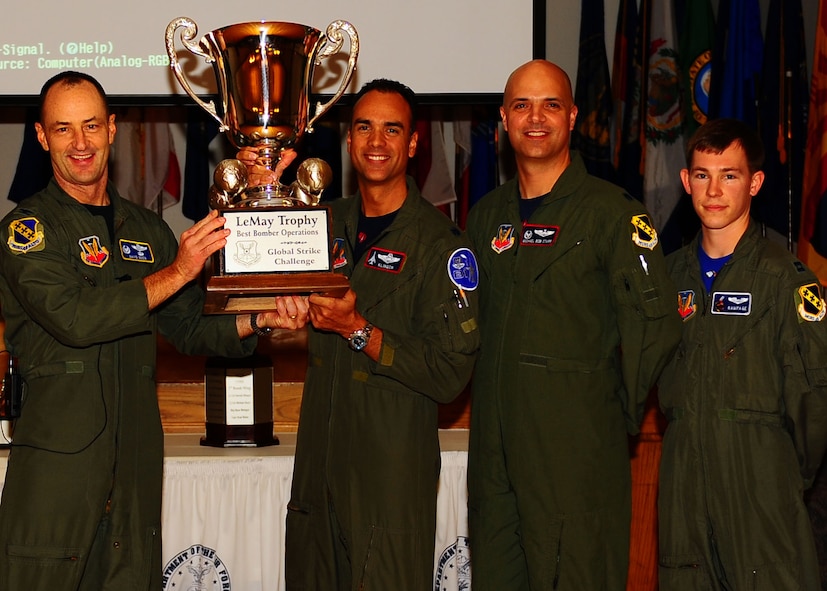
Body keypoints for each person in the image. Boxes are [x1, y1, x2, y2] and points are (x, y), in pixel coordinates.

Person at [0, 71, 308, 591]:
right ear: (41, 136)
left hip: (136, 472)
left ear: (113, 129)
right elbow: (77, 319)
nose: (80, 143)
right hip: (58, 479)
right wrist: (179, 271)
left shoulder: (146, 230)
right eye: (63, 129)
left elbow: (188, 328)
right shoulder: (26, 232)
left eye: (92, 126)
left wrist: (258, 319)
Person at [244, 78, 480, 589]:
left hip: (388, 482)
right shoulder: (319, 224)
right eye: (364, 127)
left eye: (391, 129)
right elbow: (243, 272)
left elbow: (449, 376)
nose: (376, 141)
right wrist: (257, 190)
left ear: (413, 145)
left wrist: (359, 330)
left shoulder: (441, 245)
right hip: (317, 473)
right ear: (349, 141)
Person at [465, 59, 681, 590]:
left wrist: (608, 414)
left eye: (550, 105)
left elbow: (656, 327)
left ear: (573, 117)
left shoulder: (613, 214)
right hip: (495, 457)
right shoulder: (485, 216)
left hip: (576, 456)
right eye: (522, 105)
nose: (535, 118)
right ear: (503, 119)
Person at [657, 118, 827, 590]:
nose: (714, 190)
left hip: (760, 487)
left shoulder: (787, 281)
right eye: (703, 175)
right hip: (684, 483)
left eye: (729, 175)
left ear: (754, 182)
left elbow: (815, 406)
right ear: (686, 181)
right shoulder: (667, 279)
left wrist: (774, 474)